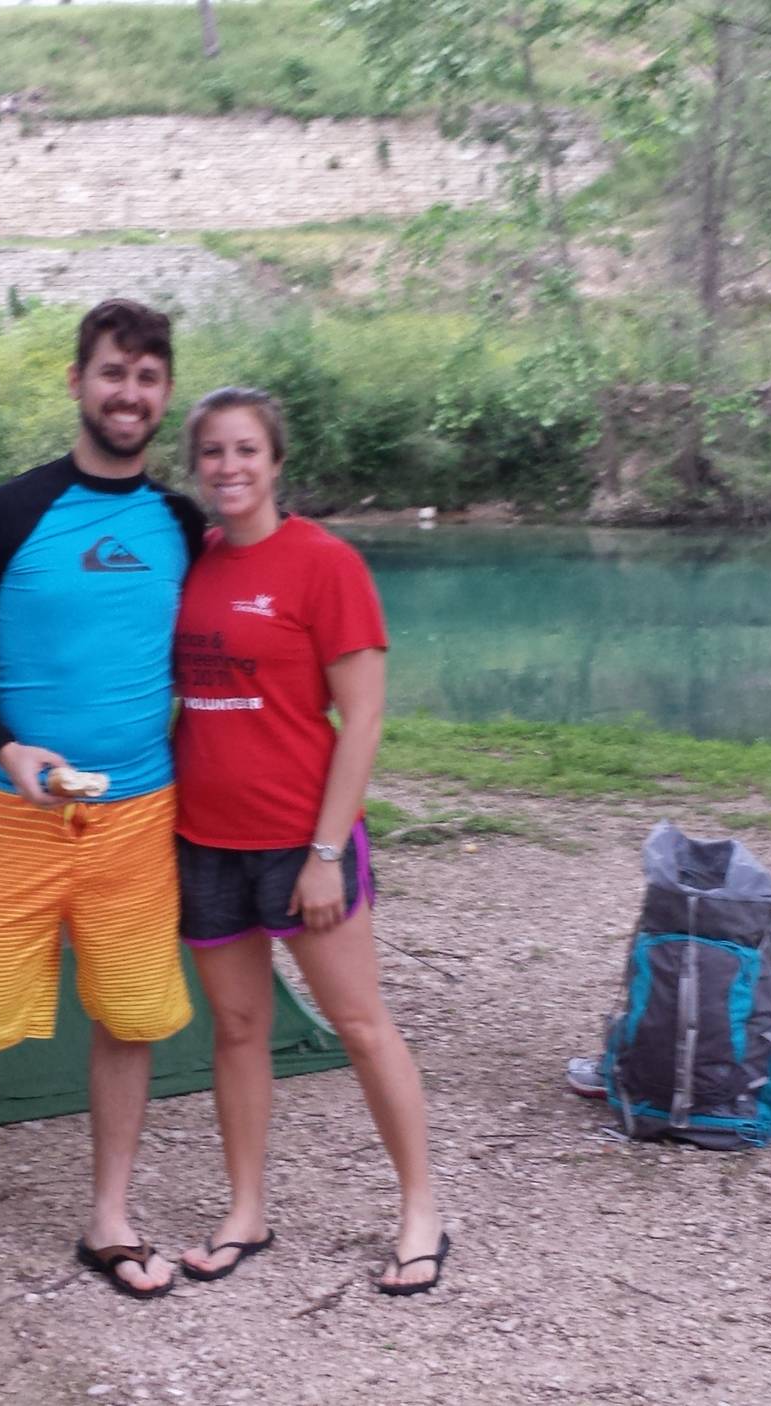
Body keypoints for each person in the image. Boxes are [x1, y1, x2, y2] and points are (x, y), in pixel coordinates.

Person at [0, 299, 205, 1339]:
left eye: (149, 377)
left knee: (129, 1014)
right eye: (113, 372)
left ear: (163, 394)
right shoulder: (12, 512)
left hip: (140, 816)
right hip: (20, 816)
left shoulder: (183, 524)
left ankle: (109, 1219)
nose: (130, 393)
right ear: (76, 381)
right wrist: (5, 745)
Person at [168, 387, 448, 1296]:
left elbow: (362, 718)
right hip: (204, 839)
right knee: (240, 1029)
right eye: (212, 452)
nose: (229, 468)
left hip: (302, 841)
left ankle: (420, 1209)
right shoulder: (194, 561)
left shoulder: (323, 564)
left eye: (246, 450)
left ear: (276, 461)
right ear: (196, 465)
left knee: (361, 1025)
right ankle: (246, 1210)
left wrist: (326, 851)